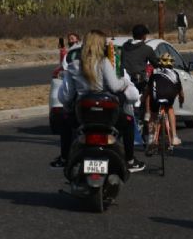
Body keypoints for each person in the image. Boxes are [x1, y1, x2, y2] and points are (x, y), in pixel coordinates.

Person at [58, 30, 145, 173]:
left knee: (65, 121)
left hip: (83, 114)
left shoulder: (74, 65)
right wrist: (124, 82)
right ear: (100, 45)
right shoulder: (104, 63)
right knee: (128, 122)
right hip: (106, 115)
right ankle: (130, 160)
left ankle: (64, 158)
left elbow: (66, 96)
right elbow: (114, 86)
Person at [145, 53, 184, 148]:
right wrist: (181, 100)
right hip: (169, 96)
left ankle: (151, 138)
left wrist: (143, 99)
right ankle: (174, 136)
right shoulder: (175, 74)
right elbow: (181, 91)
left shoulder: (154, 72)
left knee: (153, 115)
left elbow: (148, 89)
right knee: (170, 109)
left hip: (156, 97)